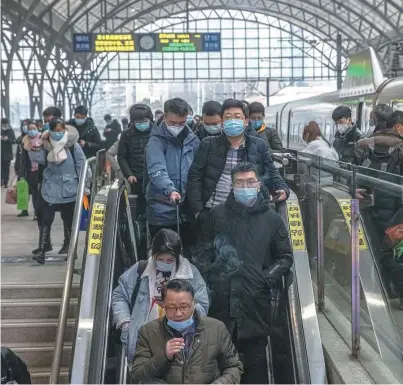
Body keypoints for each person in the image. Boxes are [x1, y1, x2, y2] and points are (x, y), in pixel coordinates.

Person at [197, 162, 293, 384]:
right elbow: (203, 253)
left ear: (259, 184)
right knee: (220, 367)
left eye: (250, 181)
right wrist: (211, 280)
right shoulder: (216, 215)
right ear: (231, 186)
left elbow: (285, 257)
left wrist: (264, 278)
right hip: (221, 305)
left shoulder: (271, 219)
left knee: (255, 367)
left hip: (255, 305)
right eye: (239, 182)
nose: (245, 186)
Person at [112, 229, 209, 363]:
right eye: (160, 259)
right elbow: (120, 295)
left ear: (178, 255)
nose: (165, 263)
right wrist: (125, 323)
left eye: (170, 260)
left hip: (180, 345)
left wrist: (186, 315)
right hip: (145, 344)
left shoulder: (191, 274)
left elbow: (202, 305)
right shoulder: (140, 270)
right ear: (153, 254)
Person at [187, 98, 289, 223]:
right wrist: (198, 211)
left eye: (237, 117)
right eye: (228, 117)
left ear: (246, 121)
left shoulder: (258, 145)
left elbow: (271, 171)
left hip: (249, 212)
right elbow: (194, 176)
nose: (232, 121)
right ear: (222, 122)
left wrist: (283, 188)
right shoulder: (208, 145)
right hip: (214, 211)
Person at [131, 279, 243, 384]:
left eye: (184, 307)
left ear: (193, 304)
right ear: (163, 306)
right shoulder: (148, 331)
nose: (178, 313)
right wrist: (164, 356)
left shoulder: (216, 328)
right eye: (171, 307)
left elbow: (234, 367)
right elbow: (137, 375)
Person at [32, 118, 90, 264]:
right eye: (55, 131)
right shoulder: (46, 144)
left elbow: (82, 164)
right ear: (49, 131)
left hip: (70, 187)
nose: (58, 134)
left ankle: (70, 249)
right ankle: (42, 249)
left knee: (69, 220)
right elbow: (37, 159)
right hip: (51, 187)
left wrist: (85, 185)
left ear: (65, 130)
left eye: (60, 131)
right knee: (46, 218)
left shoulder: (72, 145)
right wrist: (36, 145)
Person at [145, 98, 200, 248]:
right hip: (162, 211)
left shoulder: (193, 140)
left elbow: (198, 170)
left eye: (181, 123)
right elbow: (157, 170)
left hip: (187, 212)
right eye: (173, 123)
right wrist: (170, 190)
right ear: (164, 116)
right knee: (165, 256)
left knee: (188, 254)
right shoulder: (156, 142)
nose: (177, 127)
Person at [118, 104, 153, 195]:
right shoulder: (126, 134)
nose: (142, 124)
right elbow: (121, 157)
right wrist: (129, 174)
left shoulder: (157, 132)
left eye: (144, 121)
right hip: (136, 178)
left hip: (155, 175)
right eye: (138, 122)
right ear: (133, 122)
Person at [14, 120, 30, 217]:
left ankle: (37, 211)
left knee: (35, 192)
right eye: (24, 126)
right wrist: (17, 167)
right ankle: (24, 209)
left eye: (27, 126)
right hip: (22, 167)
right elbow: (18, 155)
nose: (25, 128)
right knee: (22, 190)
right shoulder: (20, 139)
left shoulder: (34, 139)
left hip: (31, 168)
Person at [1, 118, 16, 188]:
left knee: (6, 168)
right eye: (3, 124)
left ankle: (6, 182)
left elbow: (14, 141)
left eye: (5, 124)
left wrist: (7, 139)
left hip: (7, 153)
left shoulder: (10, 131)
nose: (4, 126)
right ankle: (1, 180)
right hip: (1, 152)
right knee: (1, 167)